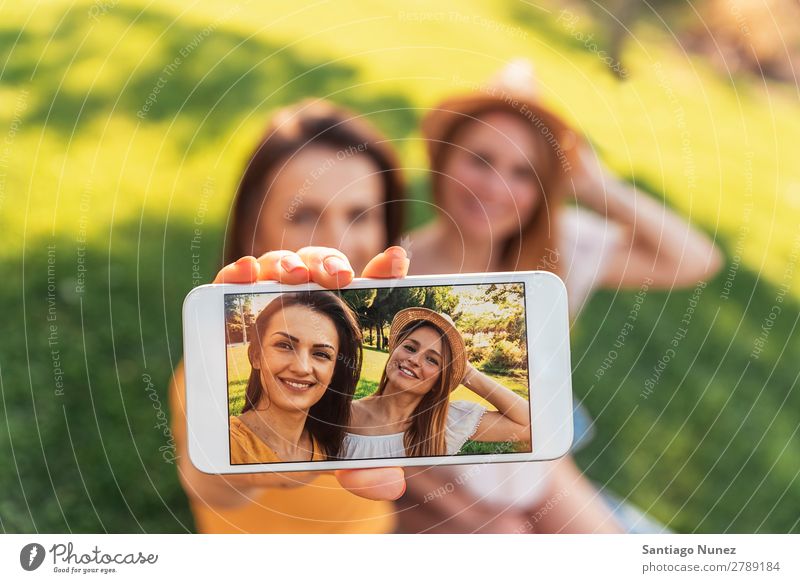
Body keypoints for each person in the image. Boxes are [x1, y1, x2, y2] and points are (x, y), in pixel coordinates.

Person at [394, 59, 723, 533]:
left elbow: (695, 259)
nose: (495, 186)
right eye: (480, 159)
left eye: (523, 172)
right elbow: (374, 430)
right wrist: (475, 514)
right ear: (445, 157)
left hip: (535, 472)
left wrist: (594, 184)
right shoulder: (399, 267)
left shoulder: (557, 252)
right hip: (431, 485)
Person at [169, 98, 410, 533]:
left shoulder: (371, 380)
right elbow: (209, 486)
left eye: (359, 215)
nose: (337, 242)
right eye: (304, 214)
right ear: (252, 227)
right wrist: (243, 470)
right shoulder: (209, 369)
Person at [343, 307, 531, 459]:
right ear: (394, 350)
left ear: (440, 379)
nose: (414, 360)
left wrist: (466, 373)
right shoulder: (343, 414)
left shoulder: (445, 424)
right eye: (409, 347)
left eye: (432, 360)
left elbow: (531, 425)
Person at [230, 291, 363, 464]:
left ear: (333, 373)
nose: (302, 368)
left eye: (321, 354)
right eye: (284, 345)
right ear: (256, 355)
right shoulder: (225, 444)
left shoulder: (329, 448)